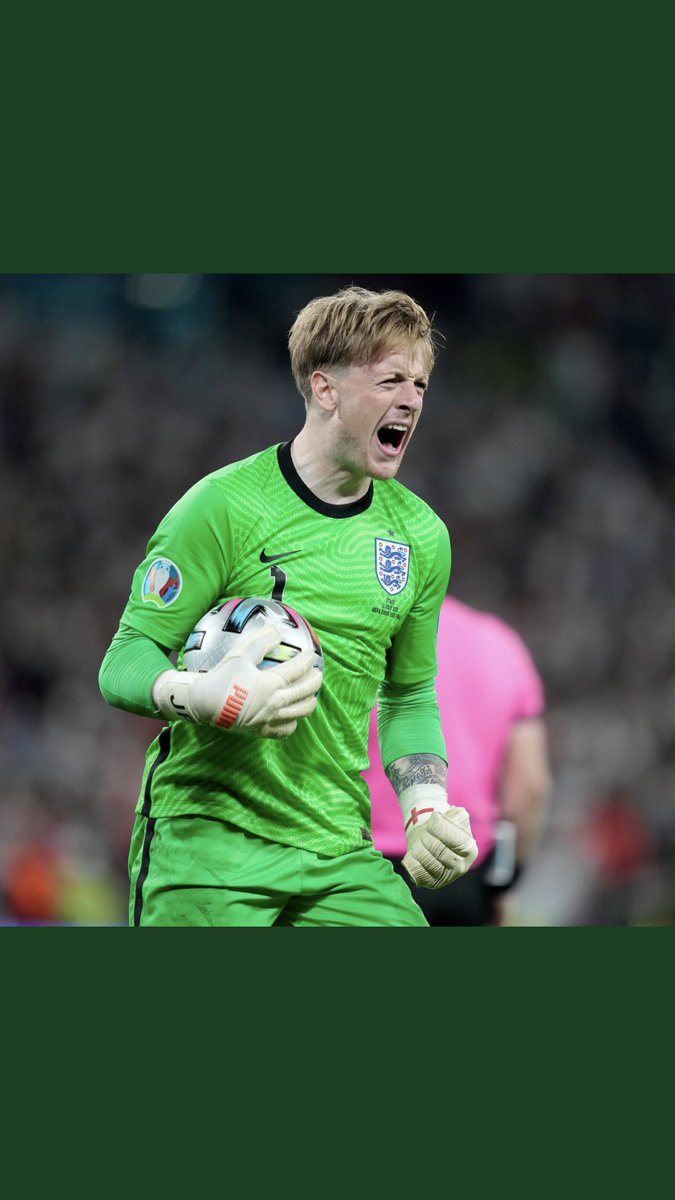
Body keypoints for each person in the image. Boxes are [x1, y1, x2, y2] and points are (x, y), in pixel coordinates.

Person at [98, 285, 479, 926]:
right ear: (326, 389)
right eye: (390, 379)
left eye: (419, 384)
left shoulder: (421, 537)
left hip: (337, 848)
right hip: (211, 839)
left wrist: (425, 807)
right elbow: (124, 658)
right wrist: (198, 694)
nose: (412, 399)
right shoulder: (221, 507)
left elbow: (409, 694)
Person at [366, 595, 552, 925]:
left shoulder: (358, 634)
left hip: (365, 869)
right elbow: (531, 785)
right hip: (463, 871)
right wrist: (504, 880)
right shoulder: (499, 643)